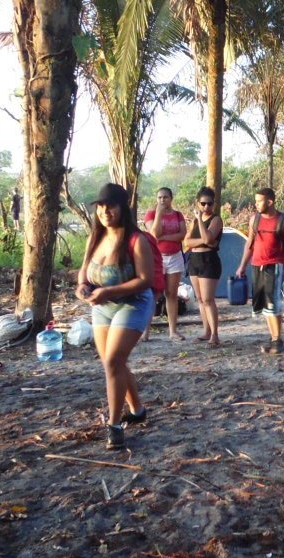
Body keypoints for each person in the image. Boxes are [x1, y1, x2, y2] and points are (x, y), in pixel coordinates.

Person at [77, 183, 155, 450]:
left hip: (133, 304)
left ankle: (114, 426)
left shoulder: (136, 240)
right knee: (114, 363)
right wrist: (82, 287)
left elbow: (146, 280)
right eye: (100, 206)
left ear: (123, 208)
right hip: (102, 306)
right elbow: (84, 271)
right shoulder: (94, 237)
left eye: (110, 205)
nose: (104, 211)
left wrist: (109, 291)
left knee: (112, 361)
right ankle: (137, 410)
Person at [235, 188, 284, 353]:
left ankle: (278, 340)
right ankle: (273, 337)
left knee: (273, 303)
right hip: (257, 265)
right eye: (255, 201)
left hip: (275, 265)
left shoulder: (283, 221)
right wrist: (242, 266)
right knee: (264, 306)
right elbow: (250, 243)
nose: (256, 204)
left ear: (269, 202)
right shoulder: (254, 220)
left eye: (259, 201)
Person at [184, 186, 223, 346]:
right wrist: (203, 241)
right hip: (194, 259)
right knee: (200, 299)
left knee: (208, 299)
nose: (206, 207)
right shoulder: (193, 222)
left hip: (209, 260)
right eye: (203, 203)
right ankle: (206, 331)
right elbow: (187, 242)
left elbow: (209, 238)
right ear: (198, 203)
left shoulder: (216, 220)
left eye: (209, 204)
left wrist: (200, 220)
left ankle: (215, 334)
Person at [149, 188, 187, 341]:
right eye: (159, 197)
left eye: (165, 197)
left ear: (171, 198)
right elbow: (154, 234)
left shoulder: (178, 215)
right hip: (157, 258)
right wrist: (159, 214)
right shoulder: (151, 214)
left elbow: (182, 235)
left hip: (175, 257)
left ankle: (173, 331)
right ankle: (145, 331)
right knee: (153, 294)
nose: (162, 200)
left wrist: (165, 237)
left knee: (171, 294)